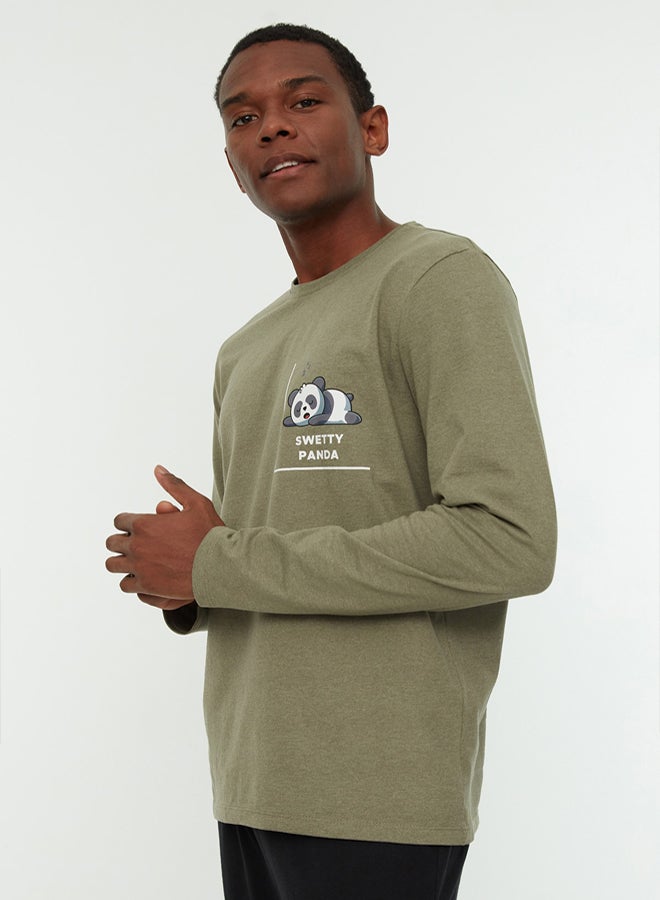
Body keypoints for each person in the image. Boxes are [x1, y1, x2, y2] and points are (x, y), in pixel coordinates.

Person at [105, 23, 557, 900]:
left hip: (376, 795)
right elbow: (260, 560)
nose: (271, 126)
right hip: (250, 776)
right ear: (232, 165)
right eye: (243, 118)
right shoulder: (244, 348)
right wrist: (190, 584)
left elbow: (509, 540)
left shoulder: (437, 278)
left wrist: (218, 561)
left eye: (305, 101)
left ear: (372, 128)